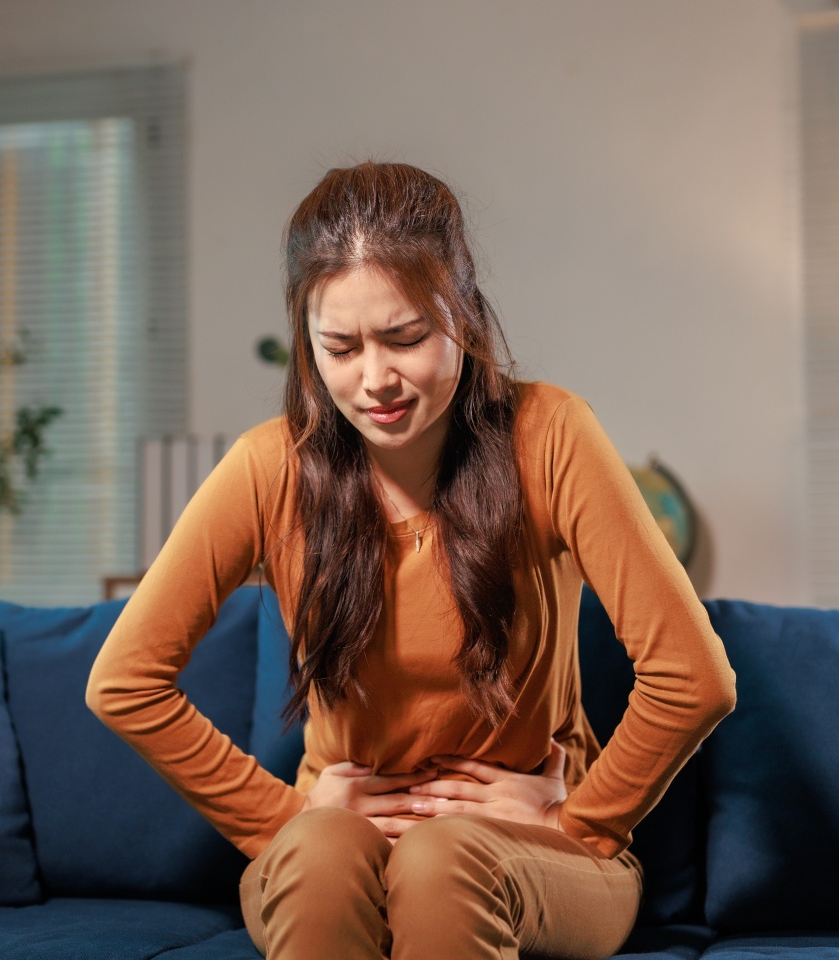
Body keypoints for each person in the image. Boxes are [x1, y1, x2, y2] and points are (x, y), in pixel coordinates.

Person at [86, 161, 736, 960]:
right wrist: (285, 818)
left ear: (461, 316)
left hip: (535, 856)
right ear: (308, 347)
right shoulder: (269, 467)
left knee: (440, 859)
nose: (375, 379)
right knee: (322, 856)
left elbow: (694, 677)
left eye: (405, 337)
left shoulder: (552, 434)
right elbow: (124, 681)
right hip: (333, 847)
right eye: (341, 347)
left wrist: (580, 820)